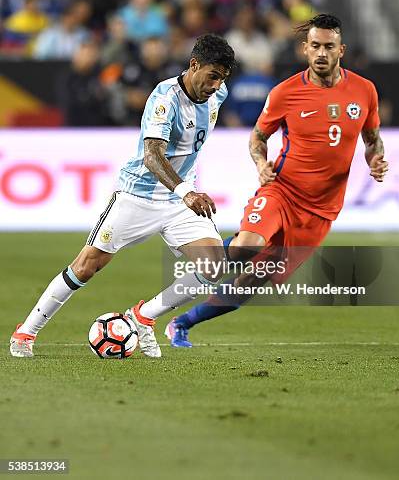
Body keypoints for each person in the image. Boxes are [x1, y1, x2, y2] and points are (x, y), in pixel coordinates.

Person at [164, 14, 389, 347]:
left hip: (322, 210)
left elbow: (372, 139)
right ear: (305, 49)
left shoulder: (364, 91)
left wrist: (375, 160)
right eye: (315, 46)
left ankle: (182, 323)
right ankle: (202, 255)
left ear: (341, 49)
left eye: (329, 46)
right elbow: (257, 138)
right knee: (246, 247)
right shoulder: (285, 92)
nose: (322, 53)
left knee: (253, 279)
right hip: (281, 191)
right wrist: (260, 164)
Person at [10, 34, 236, 358]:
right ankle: (25, 333)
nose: (216, 85)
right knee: (86, 266)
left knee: (214, 267)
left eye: (222, 78)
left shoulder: (218, 93)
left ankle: (142, 317)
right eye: (212, 76)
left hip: (176, 203)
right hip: (139, 196)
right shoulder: (165, 98)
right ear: (194, 65)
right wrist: (186, 191)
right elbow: (152, 156)